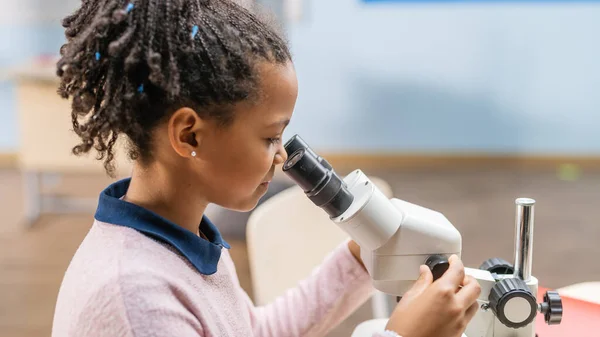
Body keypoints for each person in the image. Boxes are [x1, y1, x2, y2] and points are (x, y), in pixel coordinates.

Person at [51, 0, 481, 336]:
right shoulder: (135, 297)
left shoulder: (184, 237)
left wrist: (359, 259)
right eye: (270, 137)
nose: (281, 157)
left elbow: (255, 331)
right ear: (189, 135)